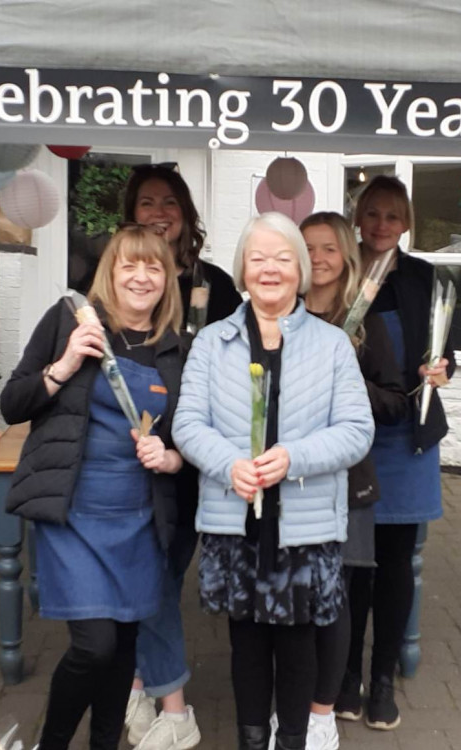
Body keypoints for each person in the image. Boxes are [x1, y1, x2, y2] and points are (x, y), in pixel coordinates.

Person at [171, 213, 375, 750]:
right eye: (258, 258)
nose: (270, 269)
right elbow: (188, 424)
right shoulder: (213, 342)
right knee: (247, 644)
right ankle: (251, 741)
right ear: (242, 268)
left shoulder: (332, 345)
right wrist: (228, 464)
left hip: (304, 526)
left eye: (283, 258)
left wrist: (294, 457)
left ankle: (293, 741)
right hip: (235, 520)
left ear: (300, 270)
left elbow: (357, 430)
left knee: (299, 645)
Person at [0, 226, 187, 750]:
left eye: (153, 267)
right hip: (74, 514)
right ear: (110, 271)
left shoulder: (176, 349)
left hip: (139, 519)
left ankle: (104, 744)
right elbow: (13, 403)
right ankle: (53, 742)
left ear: (167, 279)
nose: (141, 277)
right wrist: (62, 367)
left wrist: (170, 457)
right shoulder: (70, 320)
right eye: (130, 265)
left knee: (125, 644)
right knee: (94, 645)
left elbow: (191, 436)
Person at [121, 163, 242, 750]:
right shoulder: (119, 277)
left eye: (170, 202)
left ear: (187, 214)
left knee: (159, 575)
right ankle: (157, 692)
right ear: (131, 214)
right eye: (147, 203)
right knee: (149, 576)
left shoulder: (216, 285)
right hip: (134, 456)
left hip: (196, 457)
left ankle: (150, 686)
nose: (159, 212)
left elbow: (244, 367)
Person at [338, 176, 455, 731]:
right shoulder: (340, 271)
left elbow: (442, 349)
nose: (382, 225)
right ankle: (345, 677)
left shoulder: (423, 277)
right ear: (358, 218)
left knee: (395, 568)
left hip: (406, 436)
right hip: (350, 437)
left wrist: (443, 368)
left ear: (407, 223)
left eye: (392, 216)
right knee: (353, 568)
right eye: (372, 214)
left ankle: (382, 677)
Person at [299, 212, 408, 750]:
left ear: (346, 255)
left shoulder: (363, 322)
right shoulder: (281, 312)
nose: (317, 258)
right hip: (289, 478)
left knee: (338, 592)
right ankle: (297, 696)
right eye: (308, 248)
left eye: (328, 248)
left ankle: (333, 692)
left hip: (345, 482)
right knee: (294, 592)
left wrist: (345, 380)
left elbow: (394, 403)